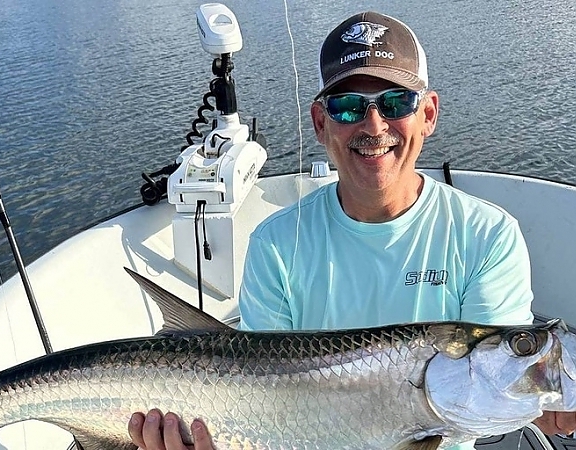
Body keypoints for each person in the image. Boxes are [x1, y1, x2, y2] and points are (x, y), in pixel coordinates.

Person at [128, 11, 576, 450]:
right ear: (321, 124)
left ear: (429, 114)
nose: (374, 126)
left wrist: (553, 406)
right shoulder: (277, 243)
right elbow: (261, 401)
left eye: (396, 102)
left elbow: (492, 386)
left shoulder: (486, 235)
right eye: (347, 107)